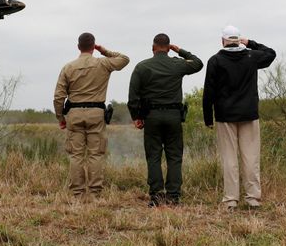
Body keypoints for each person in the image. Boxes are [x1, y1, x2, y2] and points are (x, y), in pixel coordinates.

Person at [202, 25, 276, 210]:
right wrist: (250, 43)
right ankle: (252, 198)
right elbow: (270, 53)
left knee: (229, 158)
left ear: (222, 41)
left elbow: (209, 91)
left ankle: (231, 200)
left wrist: (208, 117)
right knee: (251, 158)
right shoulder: (251, 57)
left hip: (225, 115)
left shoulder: (216, 60)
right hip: (249, 114)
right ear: (239, 40)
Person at [127, 33, 203, 207]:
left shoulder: (142, 67)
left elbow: (133, 96)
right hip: (173, 116)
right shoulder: (177, 64)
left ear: (153, 48)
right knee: (174, 156)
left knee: (153, 156)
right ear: (168, 48)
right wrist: (181, 51)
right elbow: (198, 64)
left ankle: (156, 196)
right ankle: (174, 196)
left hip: (151, 117)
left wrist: (136, 116)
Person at [53, 32, 130, 199]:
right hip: (96, 113)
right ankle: (95, 192)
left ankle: (77, 193)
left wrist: (60, 118)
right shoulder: (103, 63)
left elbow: (59, 97)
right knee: (96, 153)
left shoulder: (68, 67)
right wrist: (104, 51)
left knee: (76, 155)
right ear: (93, 47)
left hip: (74, 114)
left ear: (78, 47)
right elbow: (124, 59)